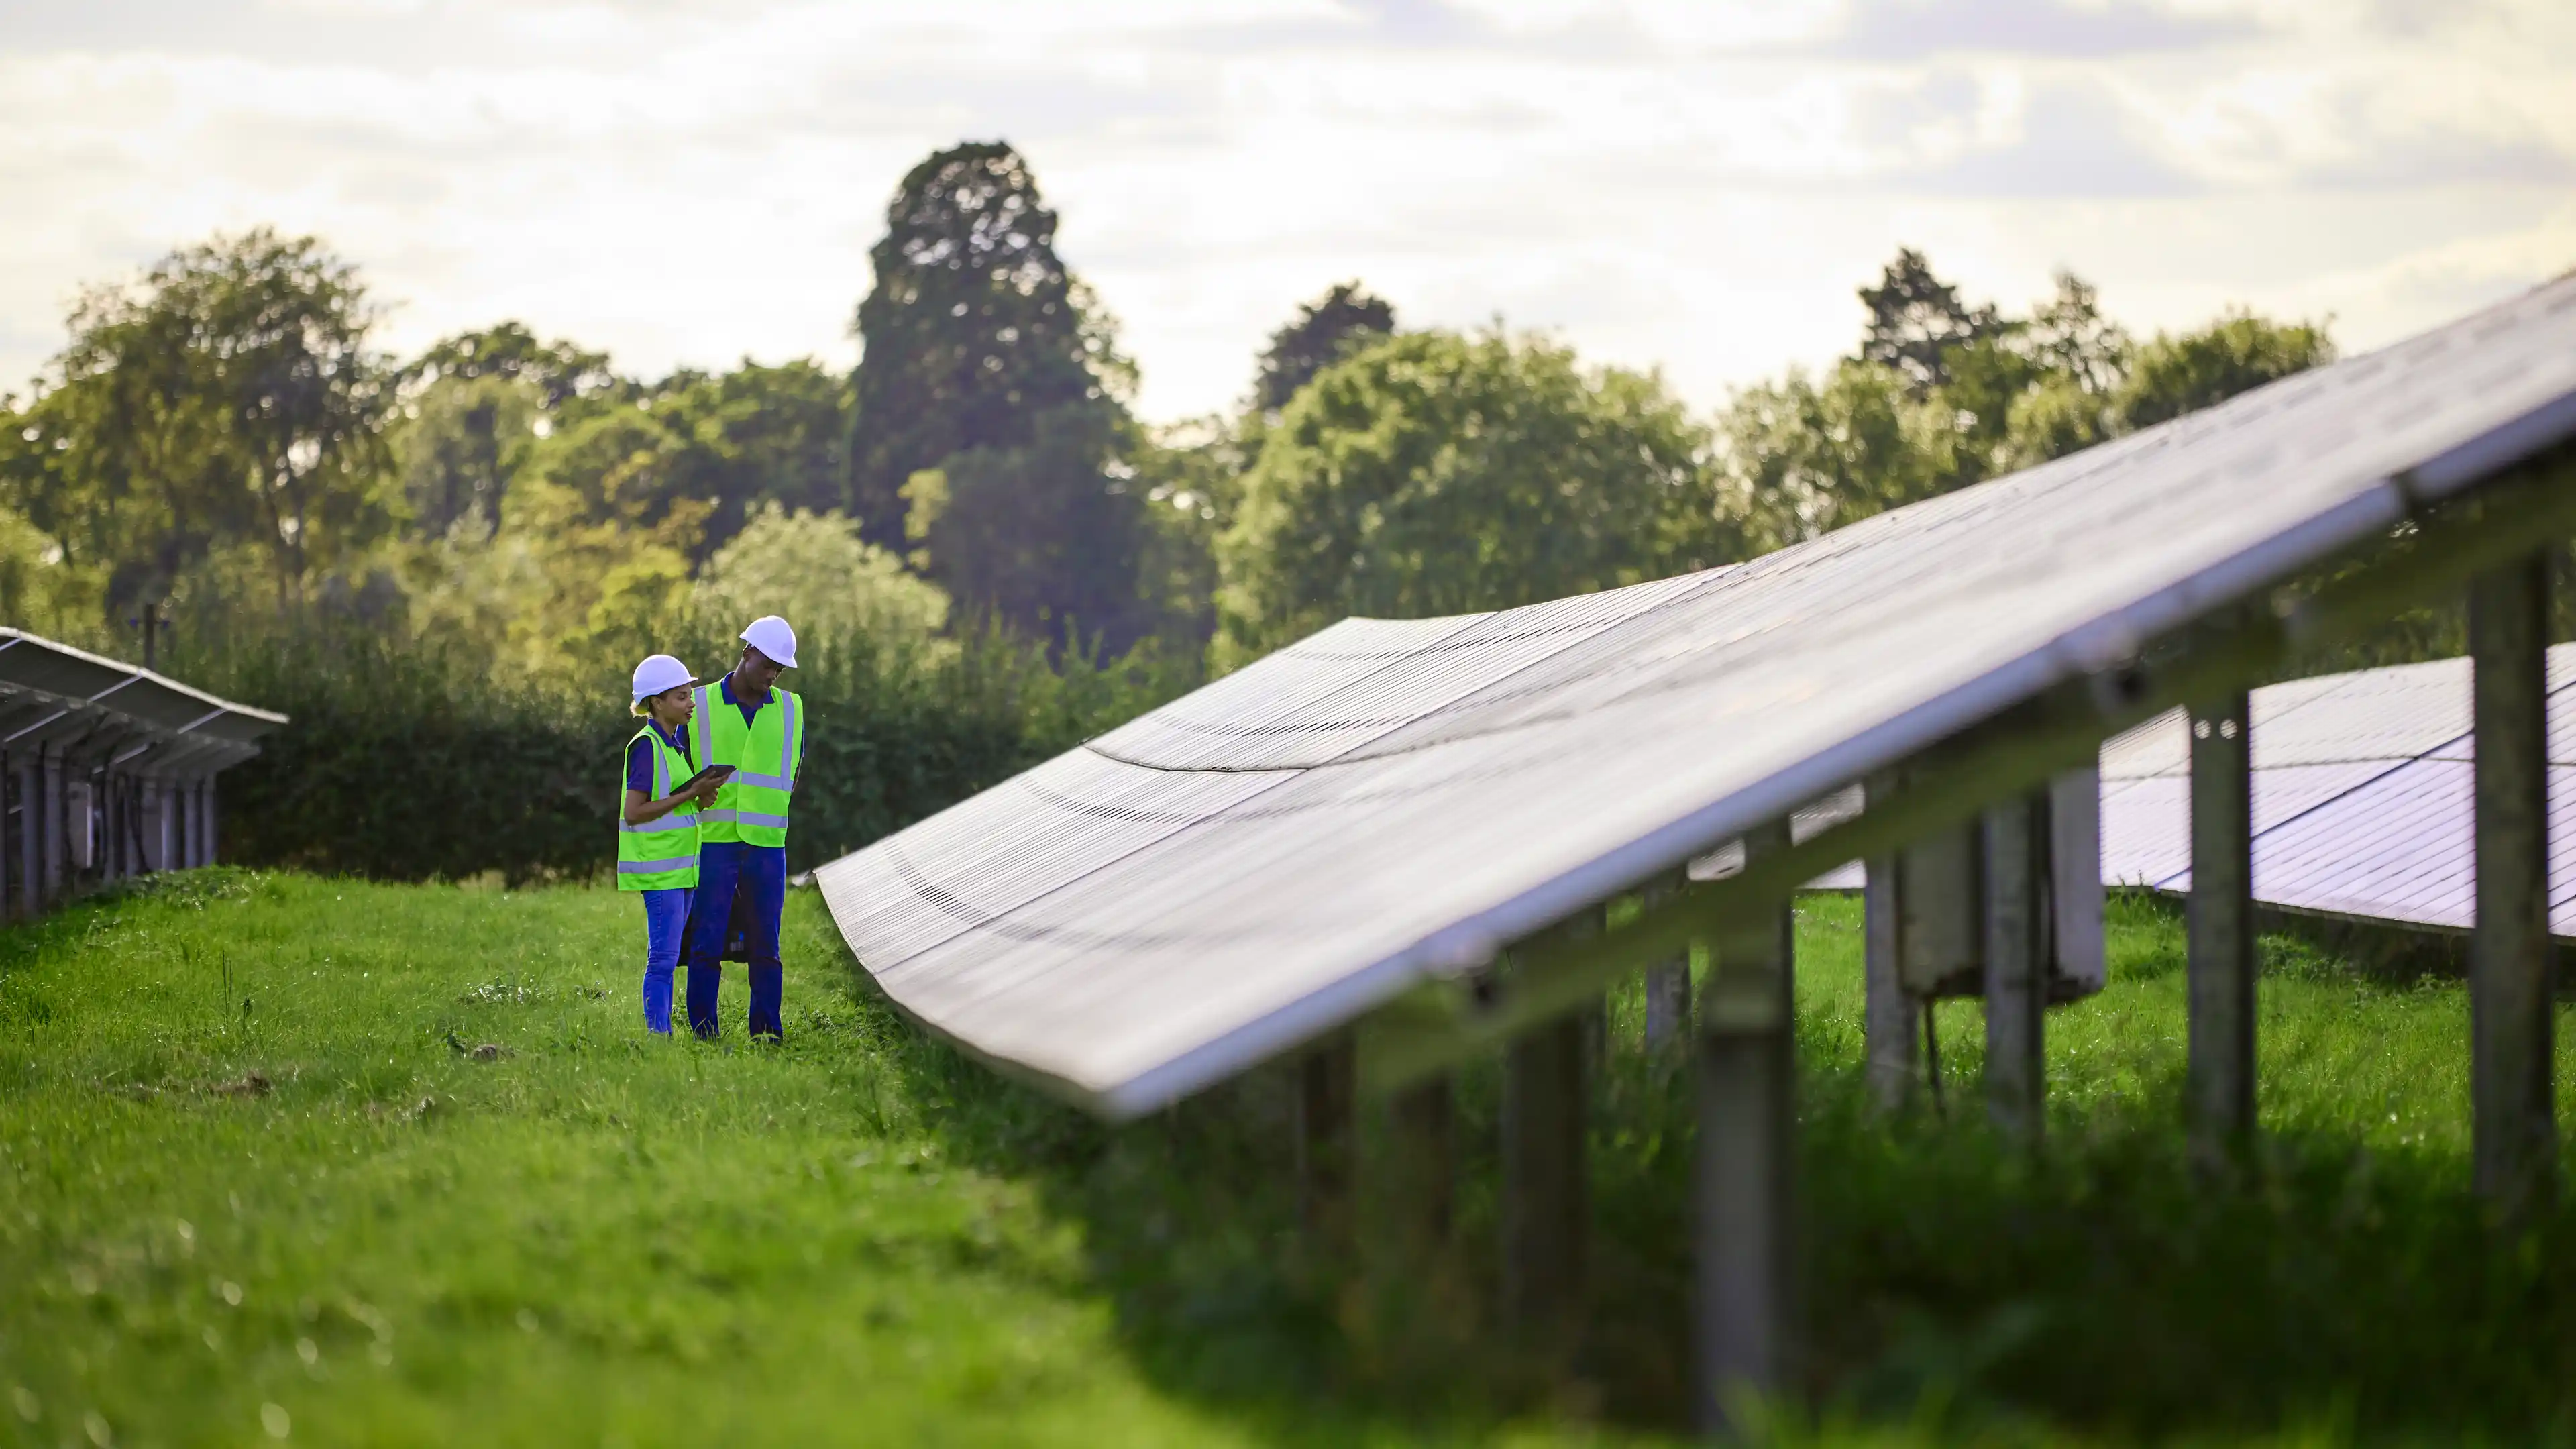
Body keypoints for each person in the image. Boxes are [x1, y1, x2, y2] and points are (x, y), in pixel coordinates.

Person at [683, 616, 803, 1040]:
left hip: (768, 844)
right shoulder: (697, 705)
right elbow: (674, 772)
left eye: (779, 670)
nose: (773, 675)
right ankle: (703, 1033)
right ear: (746, 653)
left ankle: (768, 1034)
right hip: (713, 840)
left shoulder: (793, 709)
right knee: (706, 943)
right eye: (767, 665)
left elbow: (792, 770)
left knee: (766, 947)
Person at [621, 654, 724, 1035]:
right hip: (660, 869)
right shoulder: (646, 746)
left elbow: (670, 801)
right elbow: (635, 812)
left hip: (680, 869)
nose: (691, 703)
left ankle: (661, 1034)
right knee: (663, 960)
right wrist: (690, 794)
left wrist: (700, 797)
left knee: (668, 957)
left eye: (690, 695)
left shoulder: (673, 745)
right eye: (681, 697)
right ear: (657, 702)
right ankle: (658, 1038)